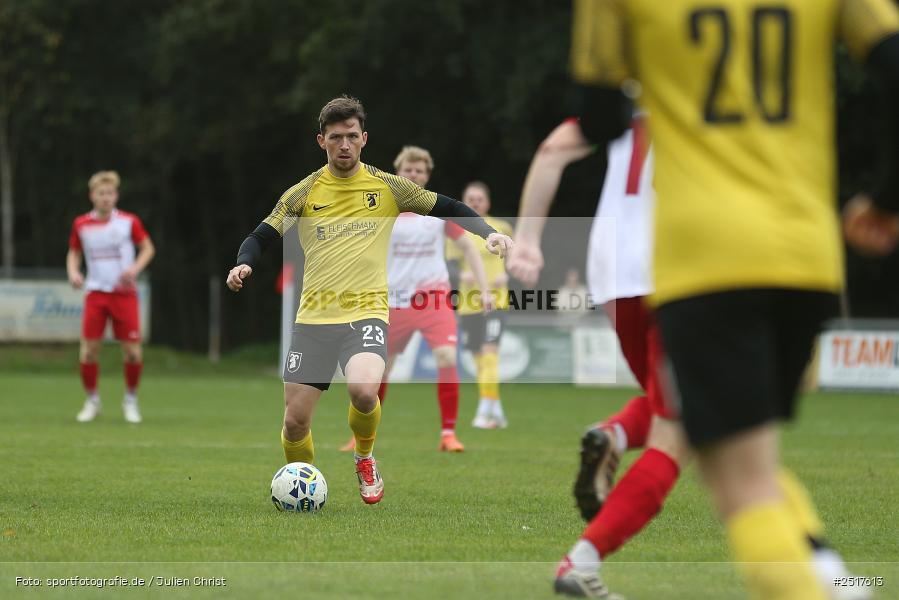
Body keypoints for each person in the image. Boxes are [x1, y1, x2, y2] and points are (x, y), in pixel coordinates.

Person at [561, 1, 899, 599]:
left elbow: (599, 118)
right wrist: (887, 197)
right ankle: (839, 580)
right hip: (805, 252)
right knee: (750, 456)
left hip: (705, 257)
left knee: (740, 484)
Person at [511, 118, 864, 599]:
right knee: (684, 435)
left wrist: (529, 240)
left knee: (683, 408)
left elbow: (552, 150)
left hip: (613, 273)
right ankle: (582, 560)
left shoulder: (631, 84)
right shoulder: (722, 93)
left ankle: (615, 434)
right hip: (685, 271)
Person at [226, 96, 512, 505]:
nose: (344, 145)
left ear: (364, 139)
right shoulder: (303, 192)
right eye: (336, 137)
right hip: (314, 320)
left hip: (367, 313)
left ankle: (364, 456)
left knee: (363, 390)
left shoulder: (388, 186)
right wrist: (243, 264)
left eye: (352, 137)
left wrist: (488, 233)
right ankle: (305, 486)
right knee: (294, 422)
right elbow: (261, 235)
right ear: (321, 140)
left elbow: (448, 206)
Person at [339, 145, 494, 453]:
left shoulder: (437, 212)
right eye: (409, 169)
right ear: (398, 173)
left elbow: (467, 249)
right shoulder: (382, 212)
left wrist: (484, 287)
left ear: (427, 176)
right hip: (392, 300)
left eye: (420, 171)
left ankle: (448, 434)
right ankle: (362, 435)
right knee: (379, 370)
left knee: (447, 357)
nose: (414, 174)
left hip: (432, 298)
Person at [67, 170, 155, 424]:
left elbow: (148, 248)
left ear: (116, 195)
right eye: (101, 193)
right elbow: (73, 252)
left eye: (110, 193)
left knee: (133, 354)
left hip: (124, 295)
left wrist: (135, 269)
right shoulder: (81, 224)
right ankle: (92, 401)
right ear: (92, 196)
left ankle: (130, 400)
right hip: (95, 293)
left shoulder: (128, 222)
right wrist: (74, 272)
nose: (106, 198)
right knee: (89, 352)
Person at [446, 181, 514, 429]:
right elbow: (450, 263)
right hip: (468, 302)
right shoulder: (456, 230)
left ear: (488, 202)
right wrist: (460, 276)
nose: (475, 202)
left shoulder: (502, 227)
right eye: (470, 198)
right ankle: (495, 408)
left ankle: (484, 410)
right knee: (478, 359)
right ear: (464, 201)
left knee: (490, 354)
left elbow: (515, 258)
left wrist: (508, 274)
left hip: (496, 300)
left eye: (479, 198)